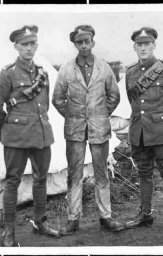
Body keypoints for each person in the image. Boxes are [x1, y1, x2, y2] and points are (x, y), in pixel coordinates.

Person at [0, 25, 61, 247]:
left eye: (32, 44)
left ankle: (40, 222)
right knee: (12, 182)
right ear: (16, 47)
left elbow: (44, 105)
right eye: (25, 44)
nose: (29, 48)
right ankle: (8, 231)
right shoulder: (7, 73)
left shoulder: (43, 72)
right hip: (16, 138)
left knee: (41, 179)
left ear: (36, 45)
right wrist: (8, 128)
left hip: (40, 135)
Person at [52, 25, 124, 235]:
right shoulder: (66, 69)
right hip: (75, 129)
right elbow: (57, 98)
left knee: (101, 173)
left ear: (93, 42)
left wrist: (100, 114)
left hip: (99, 128)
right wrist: (73, 116)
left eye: (87, 41)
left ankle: (106, 217)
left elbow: (114, 95)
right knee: (74, 174)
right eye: (79, 42)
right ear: (75, 44)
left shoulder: (104, 68)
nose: (84, 45)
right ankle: (73, 219)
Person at [124, 27, 163, 236]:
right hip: (140, 133)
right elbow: (134, 103)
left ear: (154, 45)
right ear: (134, 46)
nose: (143, 48)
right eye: (139, 44)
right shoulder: (130, 73)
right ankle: (145, 214)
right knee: (144, 174)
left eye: (147, 44)